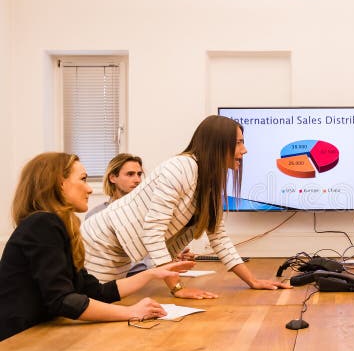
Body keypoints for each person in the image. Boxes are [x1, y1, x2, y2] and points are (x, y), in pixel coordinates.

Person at [81, 115, 290, 299]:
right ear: (217, 144)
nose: (244, 150)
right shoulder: (180, 168)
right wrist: (177, 288)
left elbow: (219, 237)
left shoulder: (208, 180)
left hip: (120, 250)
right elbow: (153, 232)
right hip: (101, 243)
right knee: (92, 303)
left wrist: (253, 281)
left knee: (104, 303)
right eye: (238, 143)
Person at [0, 153, 192, 341]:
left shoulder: (59, 226)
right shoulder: (42, 224)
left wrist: (152, 274)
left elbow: (94, 291)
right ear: (59, 183)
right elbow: (63, 300)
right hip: (17, 339)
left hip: (39, 333)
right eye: (83, 180)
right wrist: (131, 311)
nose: (90, 189)